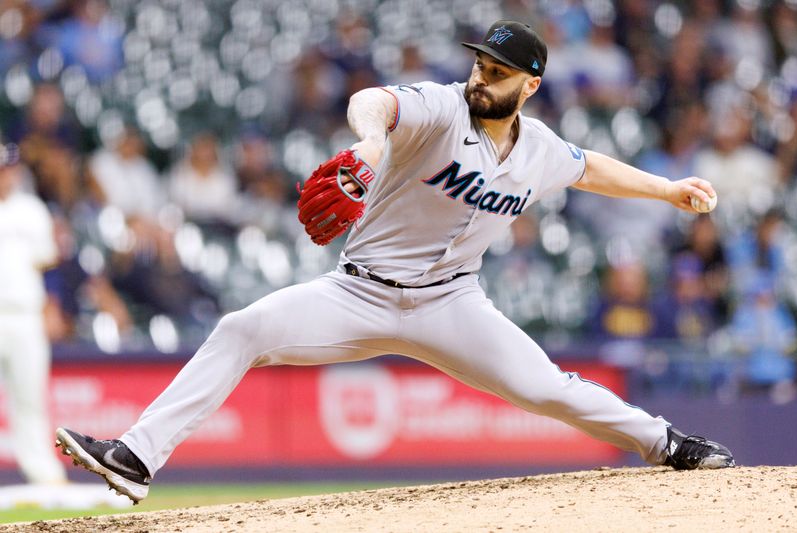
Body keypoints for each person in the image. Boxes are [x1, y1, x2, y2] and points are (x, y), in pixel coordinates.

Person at [56, 20, 734, 504]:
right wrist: (374, 142)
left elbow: (590, 168)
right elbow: (375, 100)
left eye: (497, 72)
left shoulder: (540, 148)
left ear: (529, 86)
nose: (481, 76)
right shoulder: (442, 108)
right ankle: (137, 456)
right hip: (359, 294)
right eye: (478, 64)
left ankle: (666, 442)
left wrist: (666, 188)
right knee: (241, 328)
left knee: (549, 388)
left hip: (452, 303)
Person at [0, 143, 67, 485]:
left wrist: (51, 307)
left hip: (24, 314)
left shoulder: (31, 210)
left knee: (30, 398)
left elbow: (48, 264)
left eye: (7, 168)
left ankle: (44, 475)